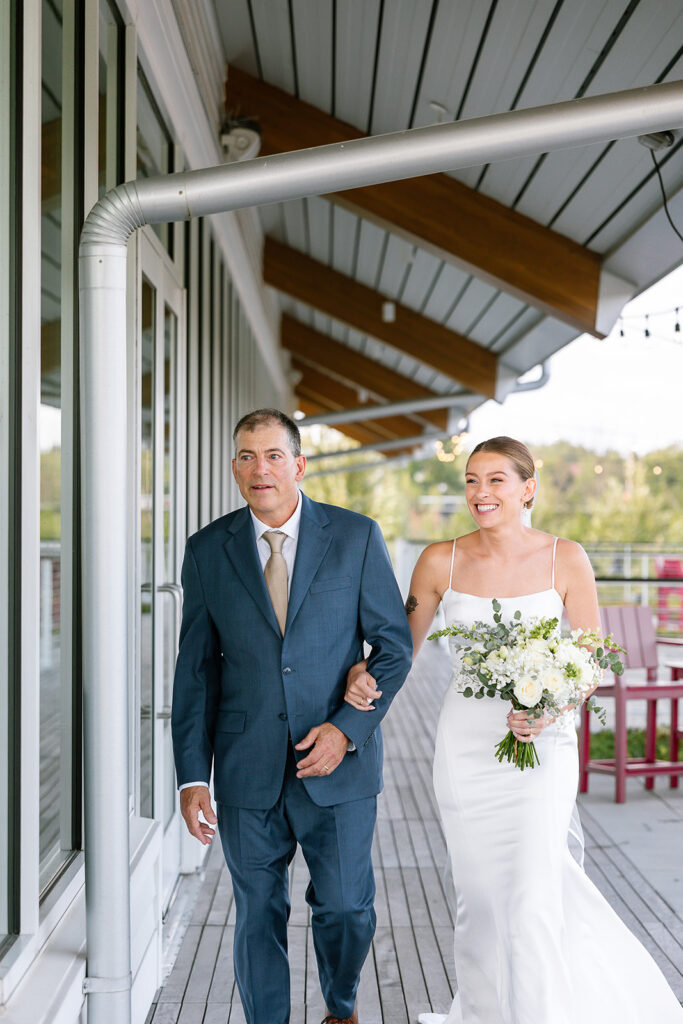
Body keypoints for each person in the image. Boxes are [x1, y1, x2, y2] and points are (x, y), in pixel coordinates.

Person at [345, 436, 683, 1024]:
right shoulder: (438, 560)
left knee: (529, 898)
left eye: (496, 480)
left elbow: (593, 659)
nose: (480, 493)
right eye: (472, 480)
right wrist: (360, 672)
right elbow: (400, 649)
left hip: (543, 745)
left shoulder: (566, 558)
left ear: (528, 488)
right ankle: (481, 1013)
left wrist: (552, 706)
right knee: (478, 899)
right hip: (465, 747)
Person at [171, 408, 412, 1024]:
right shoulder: (206, 551)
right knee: (257, 913)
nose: (261, 469)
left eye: (274, 455)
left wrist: (346, 729)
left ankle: (341, 1005)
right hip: (247, 769)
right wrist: (192, 776)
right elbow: (196, 672)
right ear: (233, 469)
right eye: (247, 457)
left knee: (345, 908)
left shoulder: (356, 537)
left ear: (299, 465)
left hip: (338, 766)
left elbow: (393, 648)